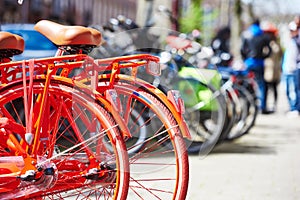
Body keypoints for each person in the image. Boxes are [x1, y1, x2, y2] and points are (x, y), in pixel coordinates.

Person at [240, 19, 272, 114]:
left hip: (249, 63)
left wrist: (245, 59)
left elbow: (242, 50)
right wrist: (263, 57)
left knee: (246, 84)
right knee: (261, 85)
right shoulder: (263, 35)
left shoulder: (246, 34)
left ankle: (247, 105)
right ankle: (262, 107)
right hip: (259, 63)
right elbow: (269, 50)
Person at [261, 22, 282, 112]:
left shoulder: (276, 44)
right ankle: (264, 106)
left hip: (275, 69)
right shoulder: (264, 44)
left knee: (274, 88)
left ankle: (274, 105)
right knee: (265, 88)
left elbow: (280, 54)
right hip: (266, 69)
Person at [282, 21, 299, 116]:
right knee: (288, 90)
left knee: (294, 90)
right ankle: (292, 107)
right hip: (287, 69)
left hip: (293, 69)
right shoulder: (290, 42)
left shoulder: (296, 42)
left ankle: (295, 108)